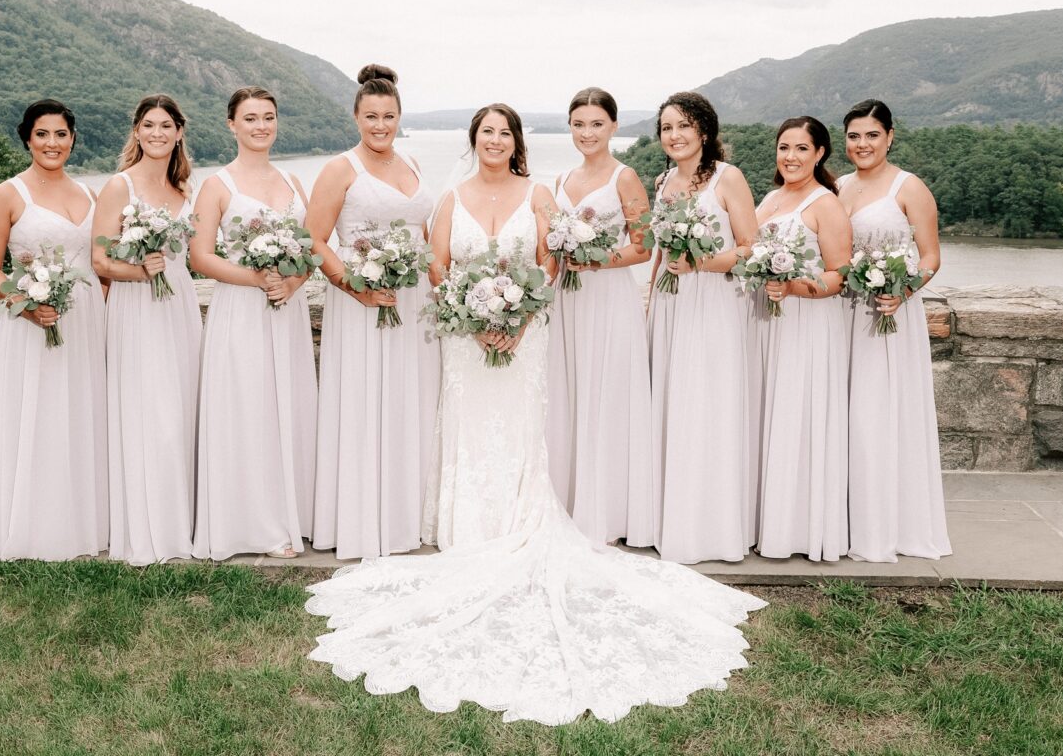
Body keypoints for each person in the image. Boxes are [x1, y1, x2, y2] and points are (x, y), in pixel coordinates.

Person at [308, 103, 762, 728]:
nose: (495, 141)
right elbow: (438, 265)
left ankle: (524, 517)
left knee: (523, 429)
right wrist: (472, 314)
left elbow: (551, 260)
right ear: (474, 141)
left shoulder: (540, 194)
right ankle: (465, 527)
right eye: (485, 132)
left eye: (505, 132)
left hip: (527, 335)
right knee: (469, 426)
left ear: (517, 142)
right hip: (466, 340)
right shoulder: (448, 198)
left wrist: (517, 318)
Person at [306, 63, 436, 563]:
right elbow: (315, 240)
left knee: (410, 398)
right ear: (356, 117)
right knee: (364, 400)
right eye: (371, 117)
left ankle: (407, 513)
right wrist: (355, 286)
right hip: (362, 303)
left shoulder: (414, 164)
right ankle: (363, 518)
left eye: (389, 116)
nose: (380, 126)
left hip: (414, 300)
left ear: (400, 116)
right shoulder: (340, 168)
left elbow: (422, 234)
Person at [0, 98, 107, 558]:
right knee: (40, 414)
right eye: (43, 134)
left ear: (73, 139)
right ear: (27, 138)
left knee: (83, 413)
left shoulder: (91, 195)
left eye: (61, 134)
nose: (53, 143)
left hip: (88, 320)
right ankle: (36, 526)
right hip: (32, 323)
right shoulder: (7, 195)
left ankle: (85, 520)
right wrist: (26, 305)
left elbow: (100, 264)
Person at [190, 84, 318, 557]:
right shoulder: (218, 185)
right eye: (250, 118)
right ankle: (252, 523)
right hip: (241, 311)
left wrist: (292, 283)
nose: (261, 126)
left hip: (287, 311)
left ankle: (293, 513)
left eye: (268, 117)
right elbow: (200, 256)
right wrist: (257, 279)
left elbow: (310, 250)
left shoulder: (294, 184)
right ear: (231, 124)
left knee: (290, 405)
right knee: (248, 408)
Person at [837, 98, 952, 563]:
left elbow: (930, 257)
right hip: (841, 314)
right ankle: (840, 519)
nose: (862, 144)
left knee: (877, 414)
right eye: (853, 136)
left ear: (890, 136)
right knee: (843, 415)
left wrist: (902, 292)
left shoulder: (910, 187)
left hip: (888, 315)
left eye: (871, 135)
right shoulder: (838, 186)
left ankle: (884, 525)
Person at [648, 89, 759, 566]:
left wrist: (703, 264)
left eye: (683, 126)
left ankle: (710, 526)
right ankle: (667, 519)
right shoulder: (662, 182)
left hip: (713, 302)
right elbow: (657, 252)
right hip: (671, 305)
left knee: (708, 404)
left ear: (704, 132)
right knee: (671, 402)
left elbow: (752, 247)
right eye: (667, 127)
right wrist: (649, 300)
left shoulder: (728, 179)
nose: (674, 135)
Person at [545, 85, 657, 549]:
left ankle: (608, 509)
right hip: (567, 301)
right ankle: (568, 501)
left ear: (613, 126)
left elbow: (643, 245)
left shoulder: (624, 177)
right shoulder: (560, 181)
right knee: (569, 393)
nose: (586, 133)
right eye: (578, 124)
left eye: (596, 124)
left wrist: (597, 260)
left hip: (609, 298)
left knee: (606, 393)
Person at [94, 93, 200, 563]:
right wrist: (140, 271)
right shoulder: (120, 187)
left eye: (166, 126)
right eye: (148, 125)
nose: (158, 133)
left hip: (178, 306)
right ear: (136, 132)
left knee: (179, 410)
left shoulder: (184, 192)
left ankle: (182, 522)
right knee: (148, 413)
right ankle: (148, 528)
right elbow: (99, 259)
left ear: (179, 133)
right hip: (137, 308)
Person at [753, 116, 856, 562]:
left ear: (819, 154)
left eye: (800, 148)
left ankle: (799, 530)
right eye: (783, 147)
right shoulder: (770, 198)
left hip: (807, 326)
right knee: (769, 416)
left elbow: (841, 275)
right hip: (767, 324)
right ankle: (764, 520)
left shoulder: (825, 204)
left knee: (800, 416)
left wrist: (795, 286)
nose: (790, 157)